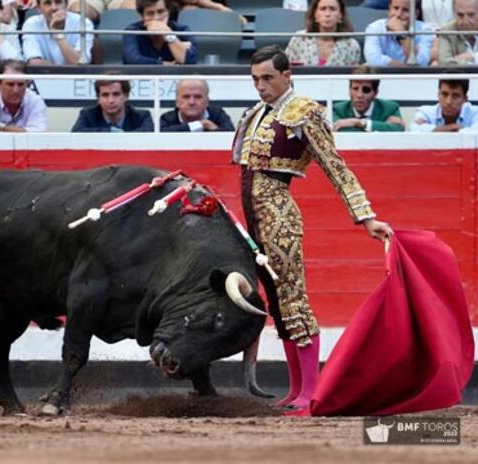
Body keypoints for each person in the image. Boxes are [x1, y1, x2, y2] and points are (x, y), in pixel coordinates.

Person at [232, 45, 392, 412]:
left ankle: (312, 391)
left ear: (288, 76)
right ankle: (295, 389)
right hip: (255, 218)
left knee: (293, 300)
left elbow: (336, 166)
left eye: (268, 78)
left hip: (279, 217)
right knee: (276, 302)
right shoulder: (257, 113)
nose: (261, 86)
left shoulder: (305, 113)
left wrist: (365, 217)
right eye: (256, 79)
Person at [0, 59, 47, 132]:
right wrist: (21, 131)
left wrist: (0, 126)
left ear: (27, 84)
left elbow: (37, 134)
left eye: (20, 84)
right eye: (10, 84)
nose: (16, 90)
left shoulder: (35, 101)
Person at [285, 0, 361, 66]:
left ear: (340, 16)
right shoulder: (299, 39)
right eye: (323, 9)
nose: (327, 14)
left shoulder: (351, 45)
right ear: (315, 15)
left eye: (332, 9)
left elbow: (353, 79)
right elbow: (287, 71)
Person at [123, 0, 197, 65]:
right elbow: (133, 60)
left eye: (161, 12)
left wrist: (168, 34)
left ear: (168, 12)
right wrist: (163, 64)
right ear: (142, 16)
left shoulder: (181, 29)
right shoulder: (133, 30)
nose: (156, 18)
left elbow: (190, 61)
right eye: (150, 13)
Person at [333, 65, 404, 132]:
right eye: (355, 88)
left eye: (366, 90)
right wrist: (381, 127)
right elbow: (337, 131)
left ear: (375, 93)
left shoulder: (390, 108)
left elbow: (398, 129)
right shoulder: (338, 110)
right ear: (349, 90)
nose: (359, 95)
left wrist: (358, 123)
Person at [22, 0, 95, 65]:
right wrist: (60, 77)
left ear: (66, 5)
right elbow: (34, 62)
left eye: (58, 2)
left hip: (77, 78)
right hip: (44, 78)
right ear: (39, 8)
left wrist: (58, 34)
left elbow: (79, 63)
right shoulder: (31, 24)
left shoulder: (83, 23)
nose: (54, 8)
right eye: (47, 3)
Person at [364, 0, 434, 66]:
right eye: (396, 8)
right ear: (389, 10)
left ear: (415, 14)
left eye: (406, 10)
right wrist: (405, 68)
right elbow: (374, 60)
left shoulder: (425, 29)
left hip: (415, 78)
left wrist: (401, 33)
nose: (398, 14)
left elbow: (421, 62)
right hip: (381, 76)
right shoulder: (375, 27)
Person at [71, 77, 154, 132]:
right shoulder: (88, 115)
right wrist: (110, 131)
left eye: (116, 94)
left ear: (126, 96)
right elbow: (76, 132)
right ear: (98, 98)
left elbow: (149, 135)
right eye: (105, 95)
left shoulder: (142, 116)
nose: (111, 100)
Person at [160, 78, 234, 132]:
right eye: (186, 97)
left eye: (198, 97)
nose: (191, 102)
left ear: (207, 101)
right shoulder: (167, 118)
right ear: (177, 101)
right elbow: (162, 134)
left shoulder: (218, 115)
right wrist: (200, 125)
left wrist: (213, 128)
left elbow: (231, 138)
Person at [410, 78, 478, 132]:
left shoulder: (475, 113)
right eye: (444, 94)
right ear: (438, 95)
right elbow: (413, 129)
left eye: (455, 96)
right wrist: (451, 128)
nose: (449, 102)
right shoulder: (426, 112)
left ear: (465, 99)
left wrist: (433, 129)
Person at [437, 0, 477, 66]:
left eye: (471, 15)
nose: (465, 22)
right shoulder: (446, 32)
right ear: (454, 14)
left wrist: (473, 57)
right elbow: (444, 63)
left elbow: (450, 62)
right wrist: (470, 62)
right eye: (460, 15)